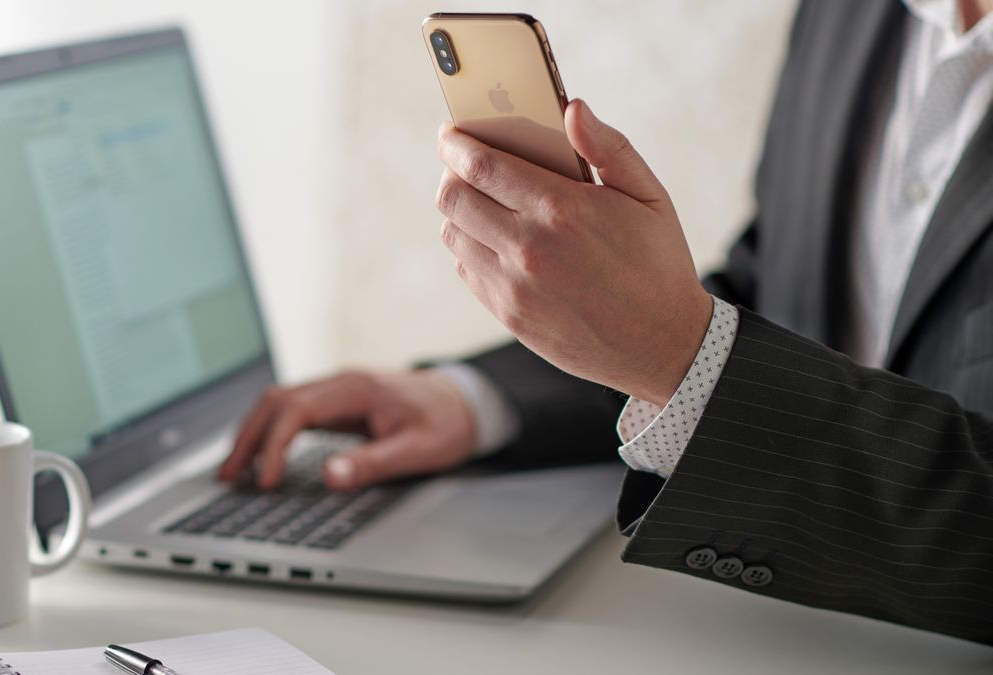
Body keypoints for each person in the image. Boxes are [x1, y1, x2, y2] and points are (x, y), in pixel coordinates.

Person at [219, 0, 993, 646]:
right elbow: (770, 291)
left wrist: (678, 353)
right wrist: (470, 400)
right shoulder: (852, 11)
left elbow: (705, 349)